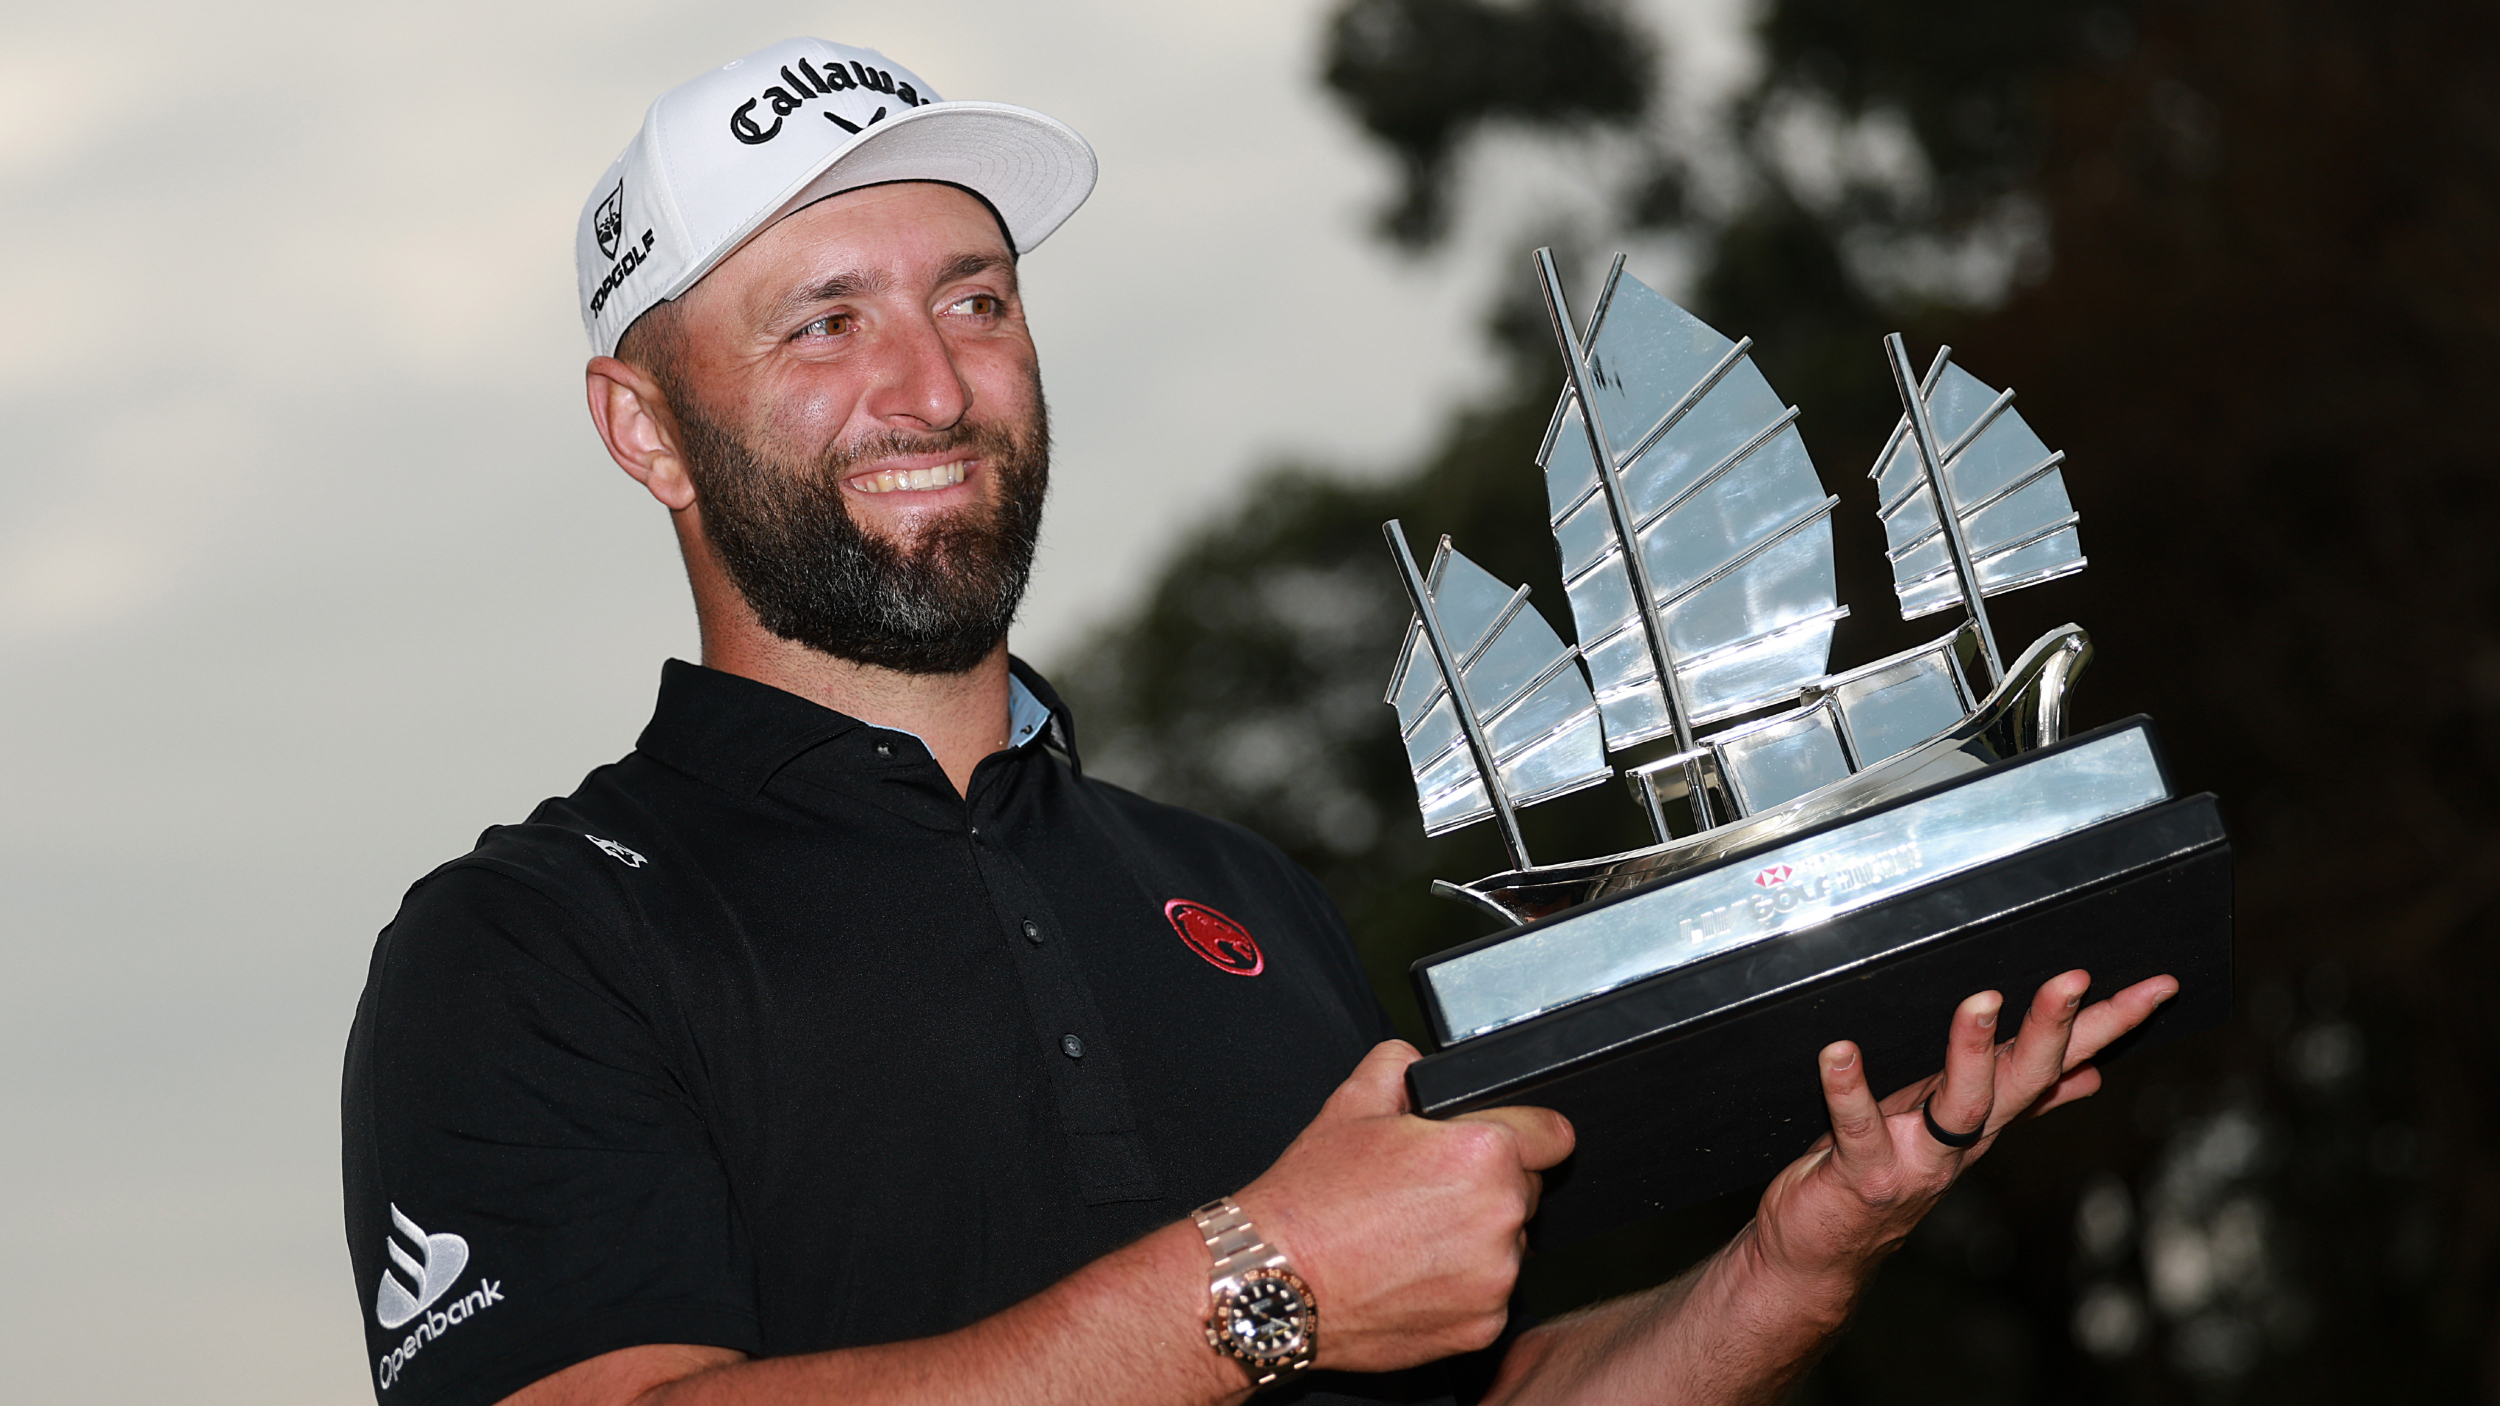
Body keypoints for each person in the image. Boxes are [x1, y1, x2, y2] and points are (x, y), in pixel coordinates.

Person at [340, 36, 2178, 1406]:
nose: (930, 379)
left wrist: (1796, 1256)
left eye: (974, 296)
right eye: (820, 325)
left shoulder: (1233, 890)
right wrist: (1263, 1274)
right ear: (642, 426)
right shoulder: (531, 942)